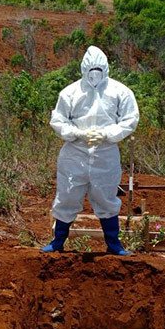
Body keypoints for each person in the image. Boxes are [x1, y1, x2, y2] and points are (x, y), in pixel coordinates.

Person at [42, 46, 139, 255]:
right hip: (75, 153)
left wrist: (107, 134)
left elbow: (130, 120)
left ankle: (114, 244)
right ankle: (58, 241)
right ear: (83, 69)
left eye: (98, 70)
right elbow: (58, 121)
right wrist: (78, 133)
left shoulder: (120, 92)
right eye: (91, 70)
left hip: (105, 153)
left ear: (106, 69)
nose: (95, 75)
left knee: (106, 196)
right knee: (67, 195)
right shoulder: (70, 92)